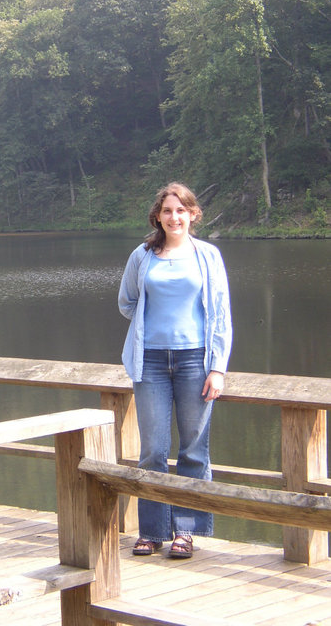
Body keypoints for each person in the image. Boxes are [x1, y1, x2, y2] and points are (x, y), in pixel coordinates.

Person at [118, 182, 232, 559]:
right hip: (149, 362)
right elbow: (127, 303)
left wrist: (217, 367)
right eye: (168, 211)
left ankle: (186, 531)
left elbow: (220, 315)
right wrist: (152, 327)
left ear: (193, 214)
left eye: (181, 210)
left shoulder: (208, 256)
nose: (174, 217)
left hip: (194, 362)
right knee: (151, 450)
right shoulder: (142, 255)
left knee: (194, 449)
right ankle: (151, 531)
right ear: (158, 216)